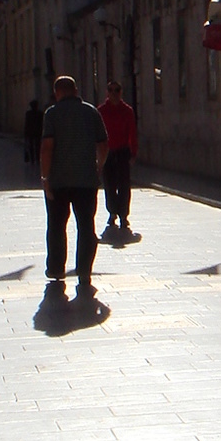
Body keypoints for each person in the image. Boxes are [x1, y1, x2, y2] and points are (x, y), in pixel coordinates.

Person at [40, 75, 108, 296]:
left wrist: (45, 178)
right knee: (86, 226)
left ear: (57, 92)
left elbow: (47, 147)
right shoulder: (91, 112)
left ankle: (56, 268)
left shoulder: (52, 114)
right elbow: (104, 143)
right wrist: (98, 167)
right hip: (86, 180)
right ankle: (84, 270)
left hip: (59, 180)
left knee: (57, 225)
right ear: (76, 90)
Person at [97, 80, 139, 235]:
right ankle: (112, 212)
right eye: (111, 90)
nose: (114, 93)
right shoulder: (101, 111)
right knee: (109, 184)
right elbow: (97, 133)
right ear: (107, 93)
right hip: (107, 151)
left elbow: (132, 133)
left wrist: (133, 153)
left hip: (122, 151)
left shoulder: (127, 111)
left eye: (117, 90)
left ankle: (123, 214)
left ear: (121, 92)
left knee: (124, 185)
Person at [23, 98, 44, 166]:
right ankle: (37, 159)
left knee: (31, 146)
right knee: (37, 146)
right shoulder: (40, 113)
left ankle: (32, 159)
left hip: (30, 132)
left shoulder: (28, 114)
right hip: (38, 132)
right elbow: (42, 123)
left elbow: (27, 124)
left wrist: (25, 133)